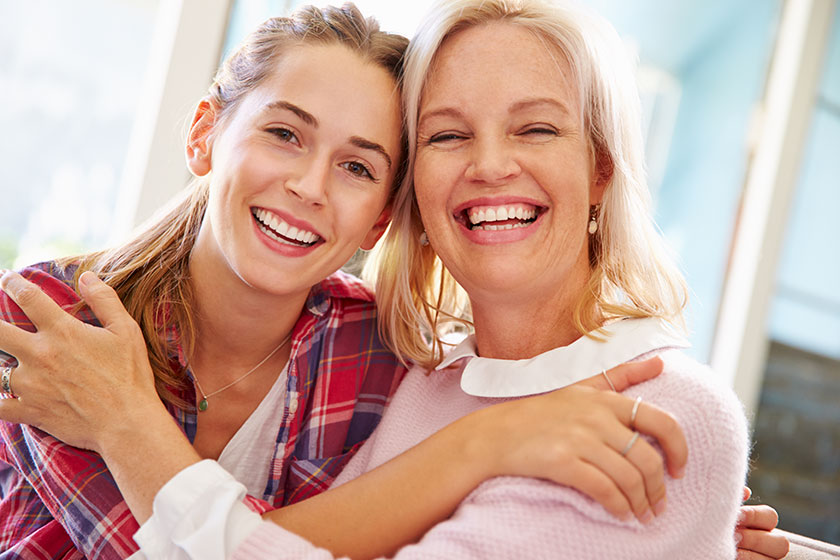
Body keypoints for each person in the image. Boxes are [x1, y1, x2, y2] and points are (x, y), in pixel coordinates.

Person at [0, 2, 788, 559]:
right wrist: (487, 443)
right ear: (206, 133)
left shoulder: (376, 354)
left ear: (383, 214)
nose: (310, 186)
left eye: (358, 166)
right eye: (447, 135)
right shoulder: (54, 325)